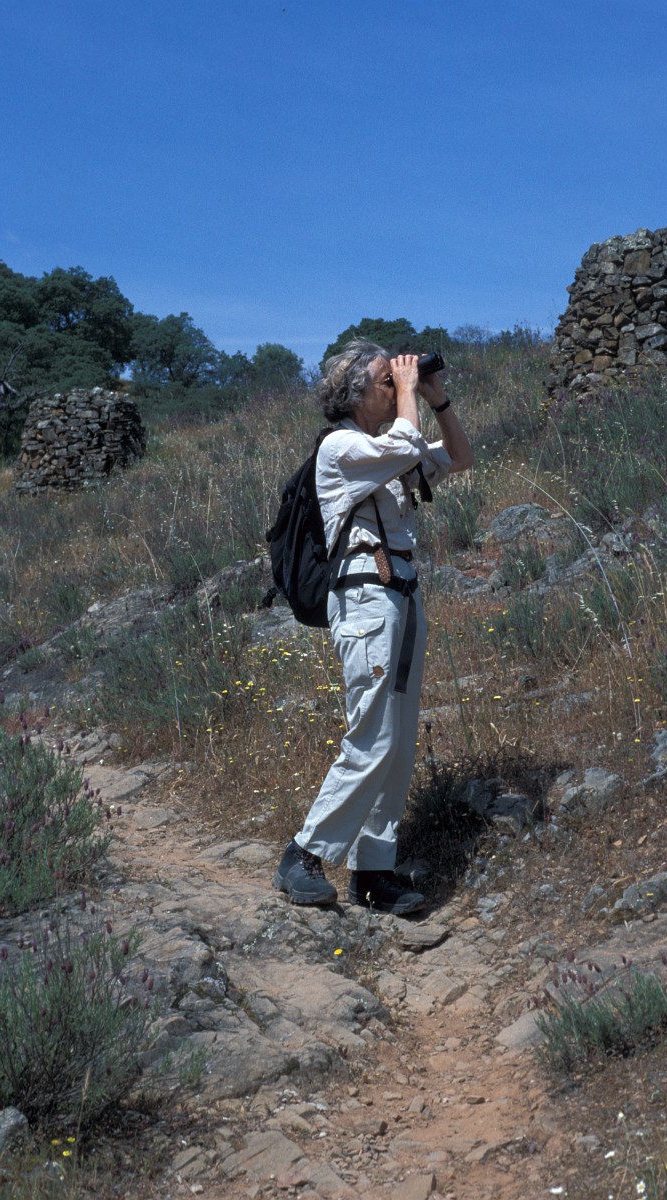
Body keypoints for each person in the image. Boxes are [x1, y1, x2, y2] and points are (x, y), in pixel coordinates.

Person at [272, 339, 474, 913]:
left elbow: (460, 458)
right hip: (365, 596)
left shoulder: (386, 452)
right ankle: (304, 855)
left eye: (395, 379)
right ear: (354, 393)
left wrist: (436, 398)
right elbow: (406, 444)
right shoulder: (341, 447)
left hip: (402, 594)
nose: (395, 385)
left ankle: (373, 872)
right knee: (374, 734)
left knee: (400, 743)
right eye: (386, 380)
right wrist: (409, 393)